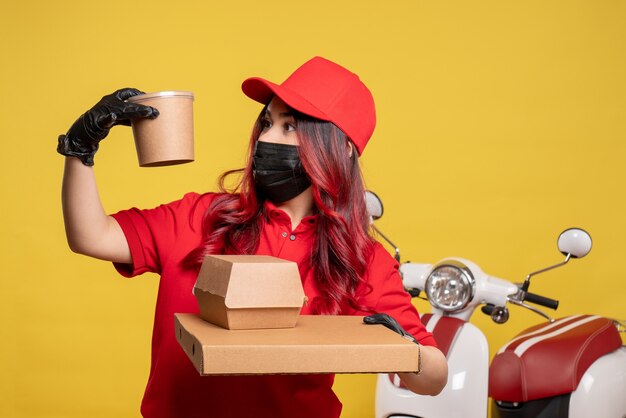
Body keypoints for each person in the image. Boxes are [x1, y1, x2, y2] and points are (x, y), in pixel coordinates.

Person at [58, 56, 447, 418]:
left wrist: (401, 347)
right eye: (266, 123)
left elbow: (433, 377)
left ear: (342, 148)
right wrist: (80, 149)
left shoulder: (361, 259)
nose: (265, 138)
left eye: (290, 126)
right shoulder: (204, 217)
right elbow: (91, 235)